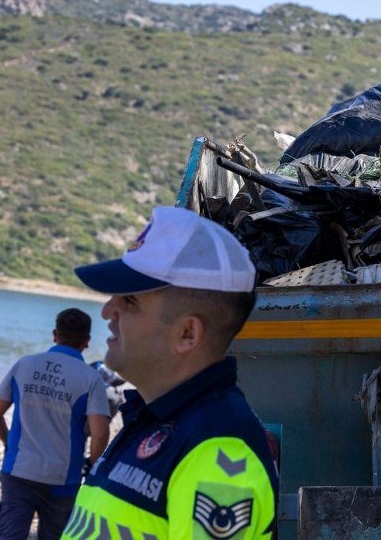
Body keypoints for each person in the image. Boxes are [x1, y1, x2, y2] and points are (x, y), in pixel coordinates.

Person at [61, 205, 278, 540]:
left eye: (130, 301)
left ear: (187, 334)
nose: (107, 311)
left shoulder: (216, 452)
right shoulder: (157, 420)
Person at [0, 308, 111, 540]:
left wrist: (8, 442)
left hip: (19, 469)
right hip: (62, 477)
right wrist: (93, 464)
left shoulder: (24, 365)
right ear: (86, 341)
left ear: (55, 334)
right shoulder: (90, 378)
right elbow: (100, 433)